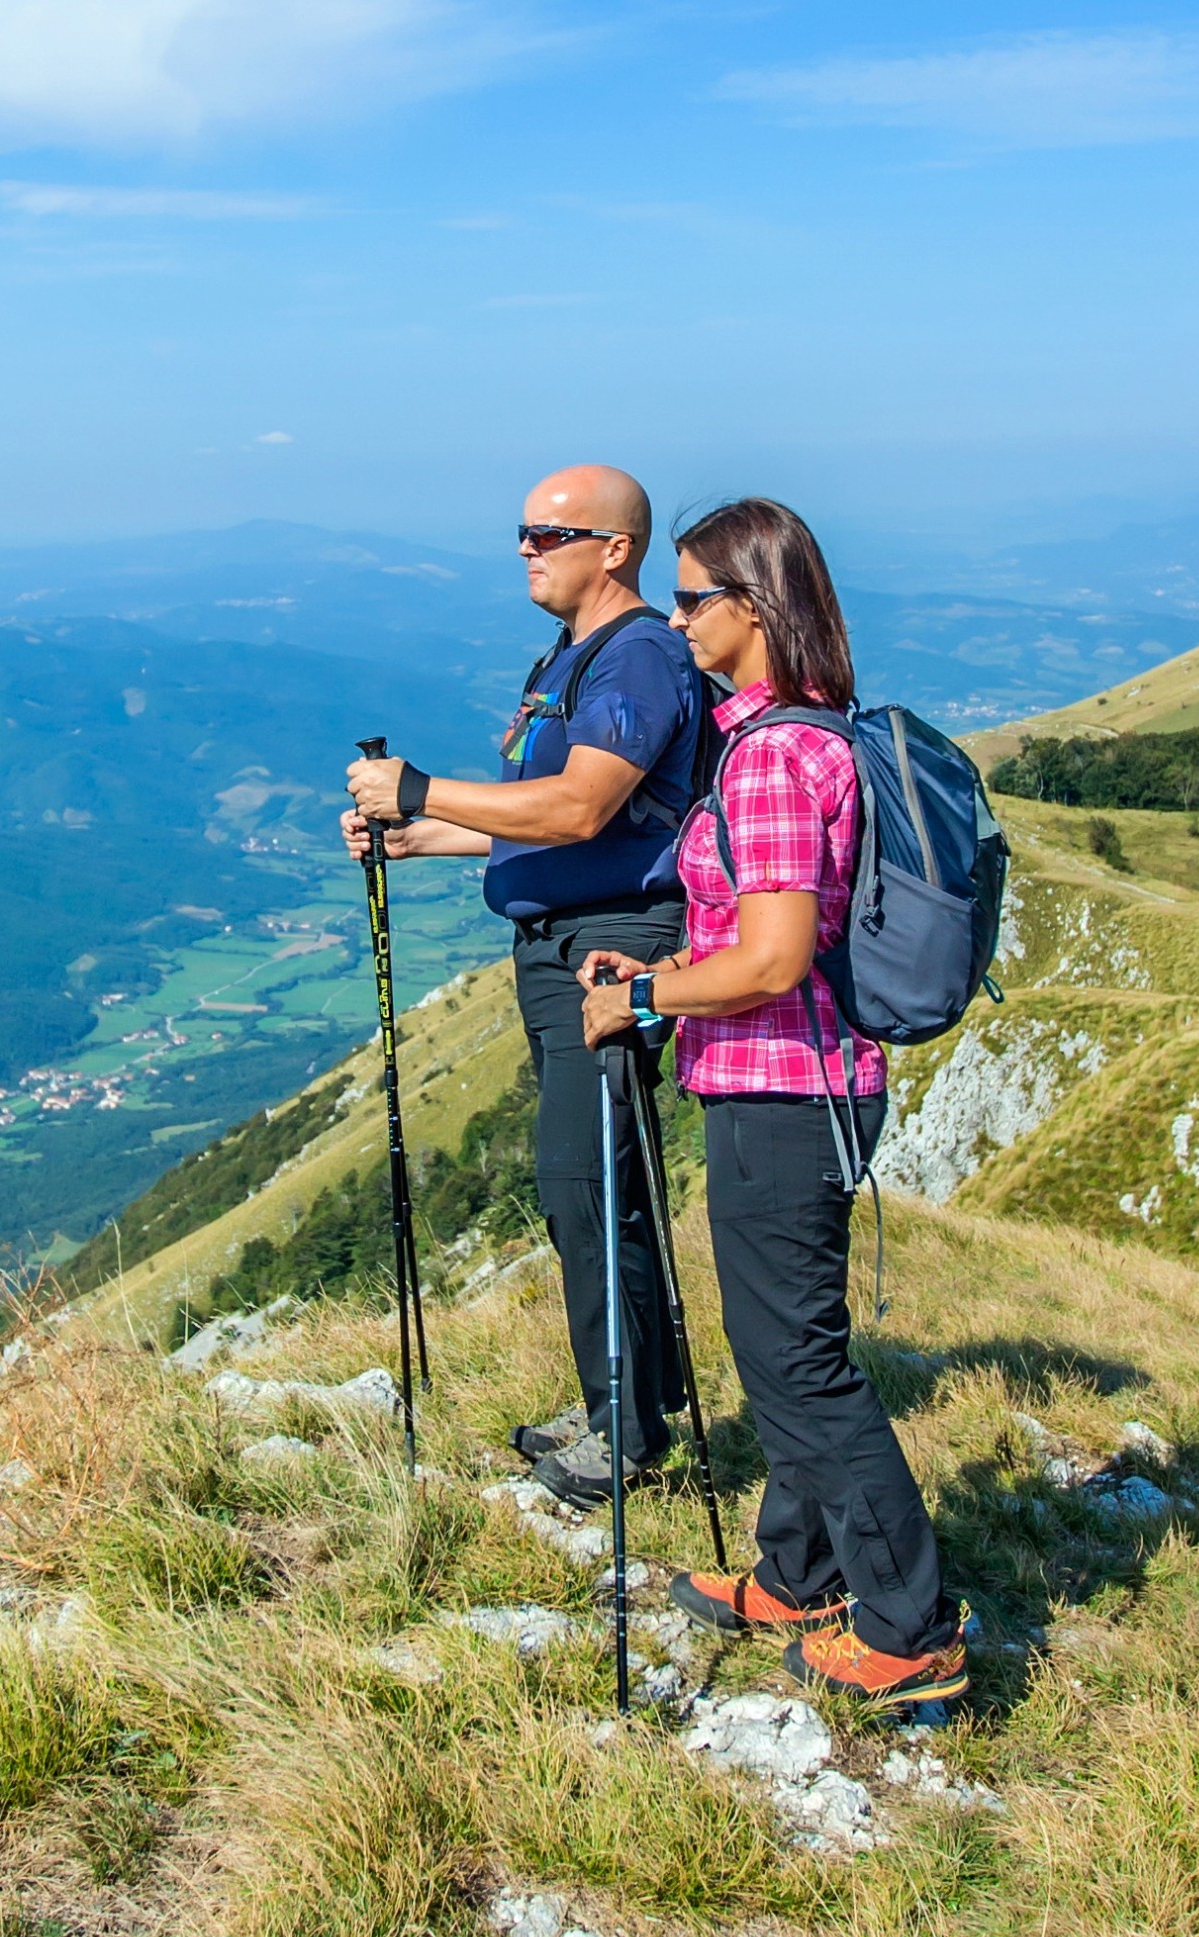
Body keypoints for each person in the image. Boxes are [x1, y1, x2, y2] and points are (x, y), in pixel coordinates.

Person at [580, 496, 965, 1714]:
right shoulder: (810, 734)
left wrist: (645, 993)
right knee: (789, 1344)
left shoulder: (775, 758)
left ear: (755, 607)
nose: (678, 616)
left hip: (780, 1089)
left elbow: (772, 957)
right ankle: (799, 1575)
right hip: (814, 1086)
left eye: (694, 598)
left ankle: (909, 1626)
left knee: (792, 1362)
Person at [342, 466, 705, 1504]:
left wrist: (417, 787)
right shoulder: (576, 657)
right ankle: (623, 1403)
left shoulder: (636, 656)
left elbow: (583, 810)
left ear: (616, 546)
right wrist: (414, 835)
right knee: (595, 1180)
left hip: (610, 943)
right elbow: (530, 813)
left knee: (585, 1179)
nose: (525, 548)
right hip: (561, 938)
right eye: (524, 532)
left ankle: (627, 1431)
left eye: (549, 533)